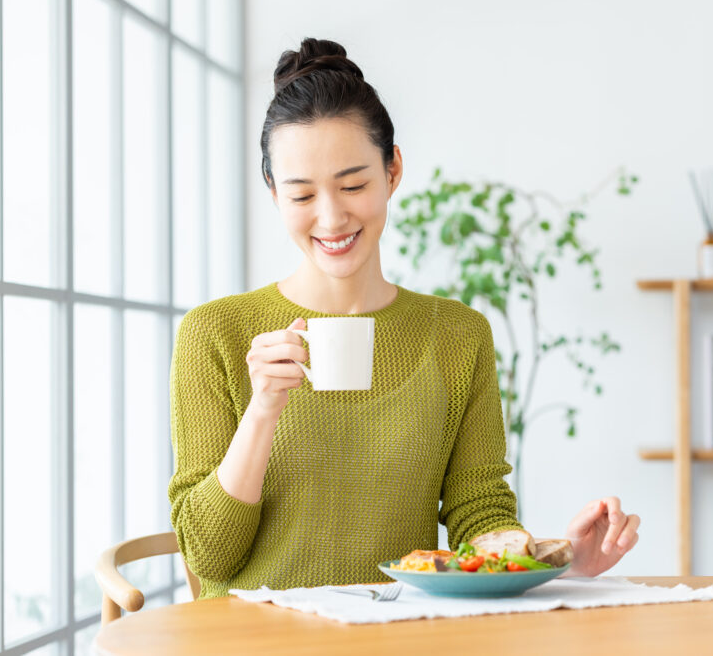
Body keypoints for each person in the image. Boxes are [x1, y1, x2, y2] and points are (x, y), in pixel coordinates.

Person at [168, 38, 640, 599]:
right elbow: (209, 554)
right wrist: (263, 409)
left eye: (353, 185)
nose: (331, 216)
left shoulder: (458, 336)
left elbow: (477, 509)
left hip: (402, 632)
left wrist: (553, 559)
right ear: (273, 192)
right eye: (301, 195)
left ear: (393, 170)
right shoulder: (214, 332)